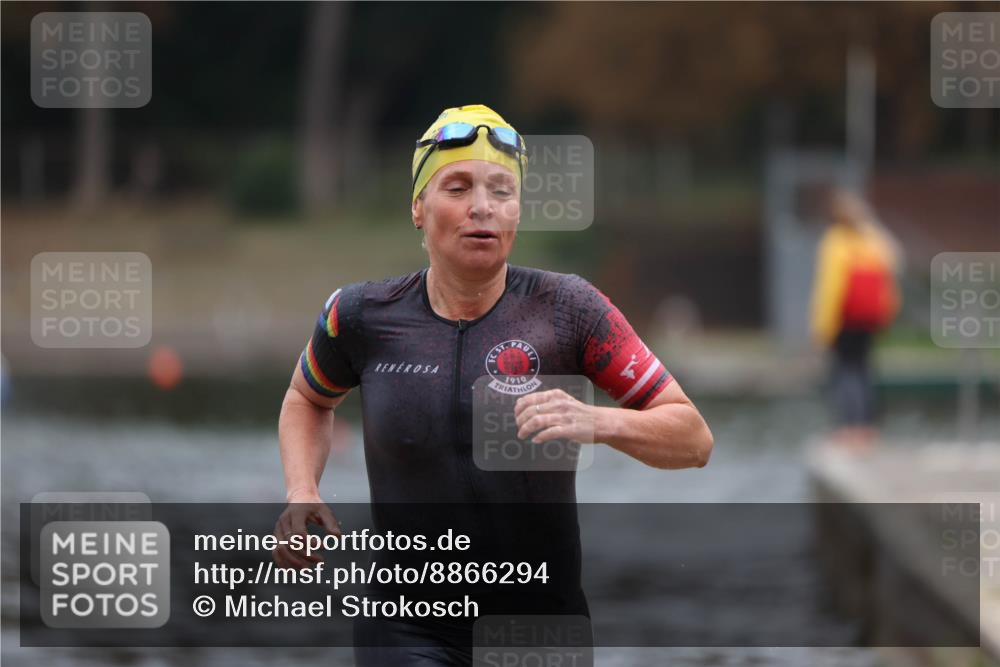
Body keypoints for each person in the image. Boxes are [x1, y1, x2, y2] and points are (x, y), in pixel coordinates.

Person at [273, 104, 714, 666]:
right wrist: (302, 491)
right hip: (407, 630)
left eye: (501, 191)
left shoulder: (570, 310)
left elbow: (694, 439)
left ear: (518, 210)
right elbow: (307, 399)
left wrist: (600, 422)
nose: (482, 207)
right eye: (457, 187)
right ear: (417, 207)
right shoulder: (360, 316)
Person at [810, 190, 901, 447]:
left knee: (845, 372)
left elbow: (830, 288)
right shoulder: (874, 241)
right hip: (869, 320)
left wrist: (823, 327)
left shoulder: (835, 242)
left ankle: (850, 427)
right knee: (864, 370)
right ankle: (867, 427)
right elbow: (891, 275)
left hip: (844, 320)